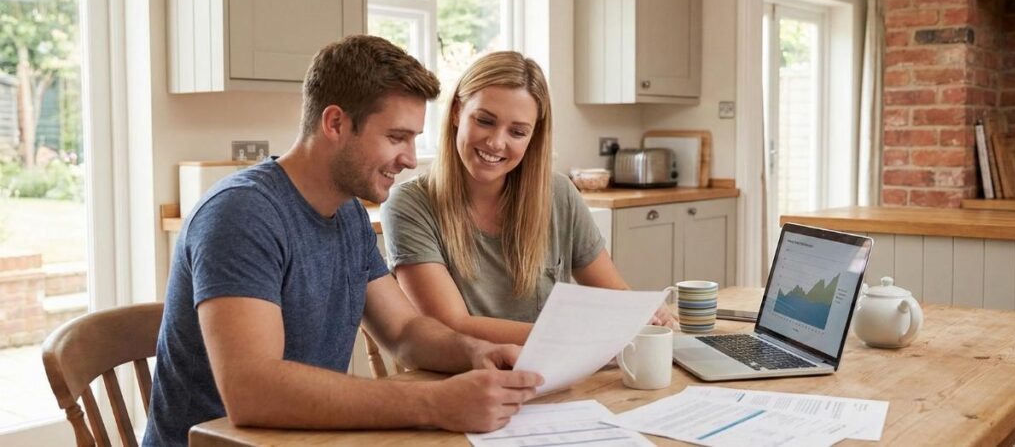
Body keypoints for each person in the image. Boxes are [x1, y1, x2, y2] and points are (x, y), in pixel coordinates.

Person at [143, 36, 543, 447]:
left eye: (413, 139)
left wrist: (474, 352)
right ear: (335, 123)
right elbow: (252, 390)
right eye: (396, 137)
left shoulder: (348, 213)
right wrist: (434, 402)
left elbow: (405, 331)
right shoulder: (242, 214)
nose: (408, 158)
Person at [380, 51, 672, 346]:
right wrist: (576, 337)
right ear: (456, 111)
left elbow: (614, 296)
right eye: (484, 121)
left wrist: (641, 314)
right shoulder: (409, 205)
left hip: (555, 374)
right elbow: (451, 325)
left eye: (517, 132)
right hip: (462, 381)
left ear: (534, 136)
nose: (496, 142)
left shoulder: (558, 194)